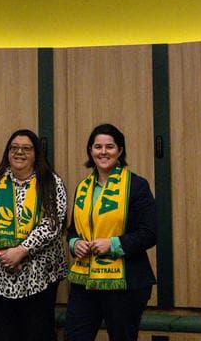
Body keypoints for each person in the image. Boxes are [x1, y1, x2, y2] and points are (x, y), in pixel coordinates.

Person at [62, 124, 157, 341]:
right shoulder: (82, 187)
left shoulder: (137, 185)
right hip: (85, 281)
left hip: (125, 284)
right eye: (97, 147)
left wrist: (113, 244)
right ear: (90, 151)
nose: (103, 152)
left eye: (110, 147)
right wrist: (74, 243)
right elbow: (72, 231)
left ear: (120, 151)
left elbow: (149, 233)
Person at [0, 129, 67, 341]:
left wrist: (21, 251)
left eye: (26, 148)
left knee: (38, 334)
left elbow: (52, 223)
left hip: (39, 276)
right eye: (14, 148)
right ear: (8, 152)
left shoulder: (51, 182)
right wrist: (4, 253)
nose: (19, 152)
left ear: (36, 153)